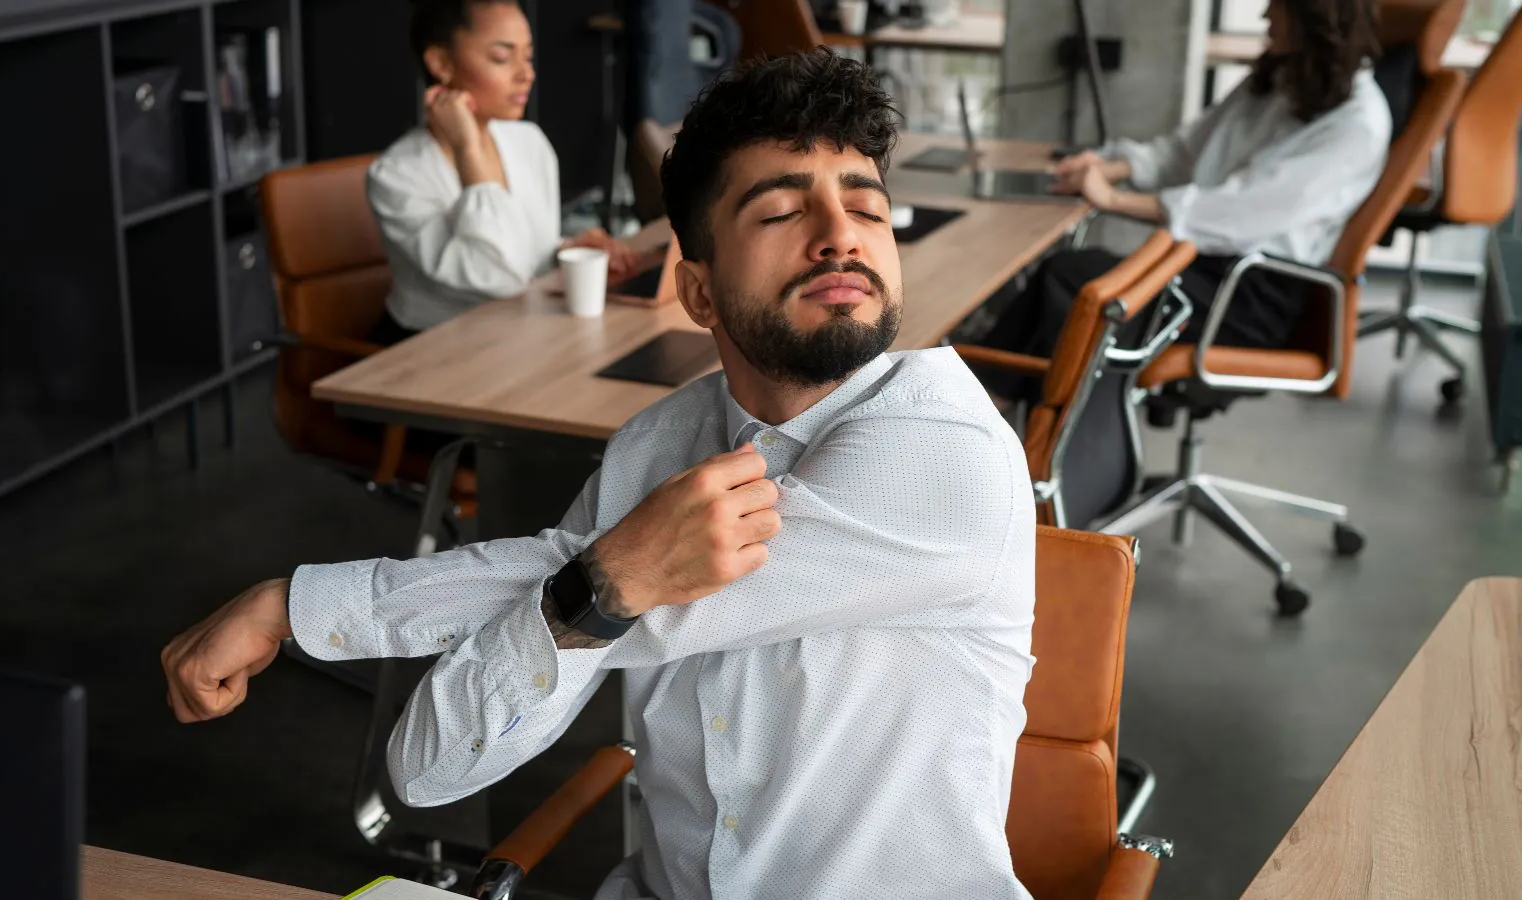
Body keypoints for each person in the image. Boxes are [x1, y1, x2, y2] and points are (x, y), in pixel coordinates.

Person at [163, 49, 1039, 899]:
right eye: (780, 213)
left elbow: (598, 583)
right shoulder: (658, 442)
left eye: (868, 210)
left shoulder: (946, 450)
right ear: (696, 293)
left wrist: (297, 605)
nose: (839, 233)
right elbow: (427, 773)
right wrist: (598, 587)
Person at [973, 0, 1389, 401]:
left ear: (1315, 15)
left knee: (1069, 283)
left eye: (1277, 3)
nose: (1264, 13)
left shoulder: (1356, 123)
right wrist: (1107, 168)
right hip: (1200, 267)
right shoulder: (1280, 79)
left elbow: (1237, 213)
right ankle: (990, 418)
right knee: (1058, 281)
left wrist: (1113, 199)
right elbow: (1182, 152)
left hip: (1247, 294)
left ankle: (996, 421)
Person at [366, 0, 640, 344]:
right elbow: (497, 276)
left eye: (527, 56)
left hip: (519, 334)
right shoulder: (397, 175)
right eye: (502, 57)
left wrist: (562, 250)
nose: (527, 74)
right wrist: (469, 151)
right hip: (432, 350)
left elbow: (514, 255)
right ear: (441, 63)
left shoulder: (528, 141)